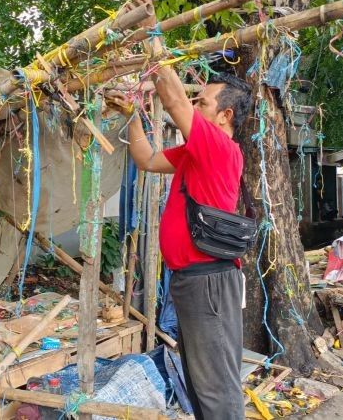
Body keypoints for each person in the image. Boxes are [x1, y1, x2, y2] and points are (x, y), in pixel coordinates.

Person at [107, 64, 252, 419]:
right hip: (193, 281)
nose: (193, 106)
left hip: (208, 282)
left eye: (202, 103)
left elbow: (172, 99)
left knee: (216, 385)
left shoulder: (219, 146)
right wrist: (133, 116)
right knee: (200, 380)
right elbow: (147, 159)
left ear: (225, 115)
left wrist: (156, 46)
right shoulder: (195, 152)